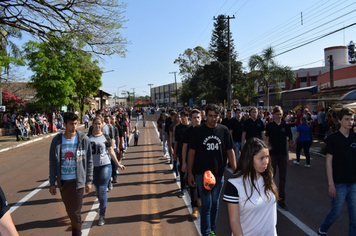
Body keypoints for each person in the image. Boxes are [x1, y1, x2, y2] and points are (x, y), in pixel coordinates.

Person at [187, 104, 237, 236]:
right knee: (206, 205)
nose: (213, 119)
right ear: (205, 115)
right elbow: (191, 153)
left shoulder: (224, 130)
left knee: (215, 204)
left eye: (216, 116)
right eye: (210, 116)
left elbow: (230, 151)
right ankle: (206, 233)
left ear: (219, 116)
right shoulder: (197, 131)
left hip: (219, 174)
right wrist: (190, 173)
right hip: (202, 174)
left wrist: (235, 170)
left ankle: (212, 229)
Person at [49, 112, 93, 236]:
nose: (74, 127)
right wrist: (52, 182)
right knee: (70, 211)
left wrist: (89, 181)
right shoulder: (57, 140)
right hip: (63, 182)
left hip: (78, 181)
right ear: (64, 124)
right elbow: (52, 162)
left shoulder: (83, 139)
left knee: (76, 214)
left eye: (75, 123)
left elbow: (89, 161)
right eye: (71, 124)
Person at [223, 138, 278, 236]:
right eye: (261, 158)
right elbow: (234, 221)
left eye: (267, 157)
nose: (266, 161)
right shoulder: (234, 184)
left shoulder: (269, 175)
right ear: (249, 159)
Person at [318, 108, 356, 236]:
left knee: (355, 216)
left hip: (354, 183)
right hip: (339, 183)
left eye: (352, 119)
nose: (350, 121)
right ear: (339, 120)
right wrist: (331, 184)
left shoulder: (355, 137)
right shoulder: (333, 138)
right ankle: (323, 229)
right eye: (347, 119)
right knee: (336, 213)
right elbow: (328, 162)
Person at [88, 116, 125, 226]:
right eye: (95, 124)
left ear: (102, 124)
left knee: (102, 189)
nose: (97, 126)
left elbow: (111, 152)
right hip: (93, 168)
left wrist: (118, 164)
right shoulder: (87, 137)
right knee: (97, 190)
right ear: (92, 124)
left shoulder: (106, 137)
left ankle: (102, 216)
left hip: (105, 166)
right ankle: (101, 204)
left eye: (99, 124)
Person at [265, 106, 290, 210]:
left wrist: (287, 155)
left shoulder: (285, 126)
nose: (279, 116)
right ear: (273, 114)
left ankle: (281, 200)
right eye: (277, 114)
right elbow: (267, 140)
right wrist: (266, 154)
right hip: (273, 155)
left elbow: (287, 141)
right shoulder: (270, 126)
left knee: (283, 177)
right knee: (271, 176)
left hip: (283, 155)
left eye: (280, 114)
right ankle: (269, 197)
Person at [181, 109, 201, 219]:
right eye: (194, 117)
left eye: (198, 117)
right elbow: (184, 147)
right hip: (192, 161)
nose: (196, 119)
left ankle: (199, 198)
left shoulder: (205, 130)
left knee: (203, 182)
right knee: (193, 183)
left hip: (204, 161)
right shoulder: (188, 132)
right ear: (190, 118)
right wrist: (184, 162)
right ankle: (194, 208)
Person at [173, 110, 191, 198]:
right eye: (182, 116)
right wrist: (174, 152)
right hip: (181, 151)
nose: (183, 118)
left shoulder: (192, 127)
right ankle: (183, 188)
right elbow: (176, 140)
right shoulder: (178, 127)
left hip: (191, 152)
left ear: (188, 117)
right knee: (183, 170)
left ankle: (189, 184)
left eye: (185, 116)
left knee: (191, 170)